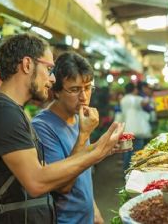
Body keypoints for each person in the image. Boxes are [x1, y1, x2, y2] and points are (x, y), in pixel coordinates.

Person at [0, 34, 124, 223]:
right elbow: (37, 182)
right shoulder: (2, 114)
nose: (52, 78)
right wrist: (97, 152)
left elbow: (48, 171)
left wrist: (97, 149)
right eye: (48, 69)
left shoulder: (11, 111)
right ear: (27, 65)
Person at [31, 51, 106, 223]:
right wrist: (84, 134)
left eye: (88, 88)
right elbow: (63, 186)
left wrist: (94, 212)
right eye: (74, 90)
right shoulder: (42, 127)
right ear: (56, 91)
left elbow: (82, 172)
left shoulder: (80, 120)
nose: (84, 97)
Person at [120, 82, 152, 170]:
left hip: (127, 128)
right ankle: (135, 170)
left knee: (127, 151)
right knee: (137, 151)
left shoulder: (123, 100)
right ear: (134, 90)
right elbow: (146, 102)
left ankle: (126, 170)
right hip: (137, 129)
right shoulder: (135, 99)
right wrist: (148, 94)